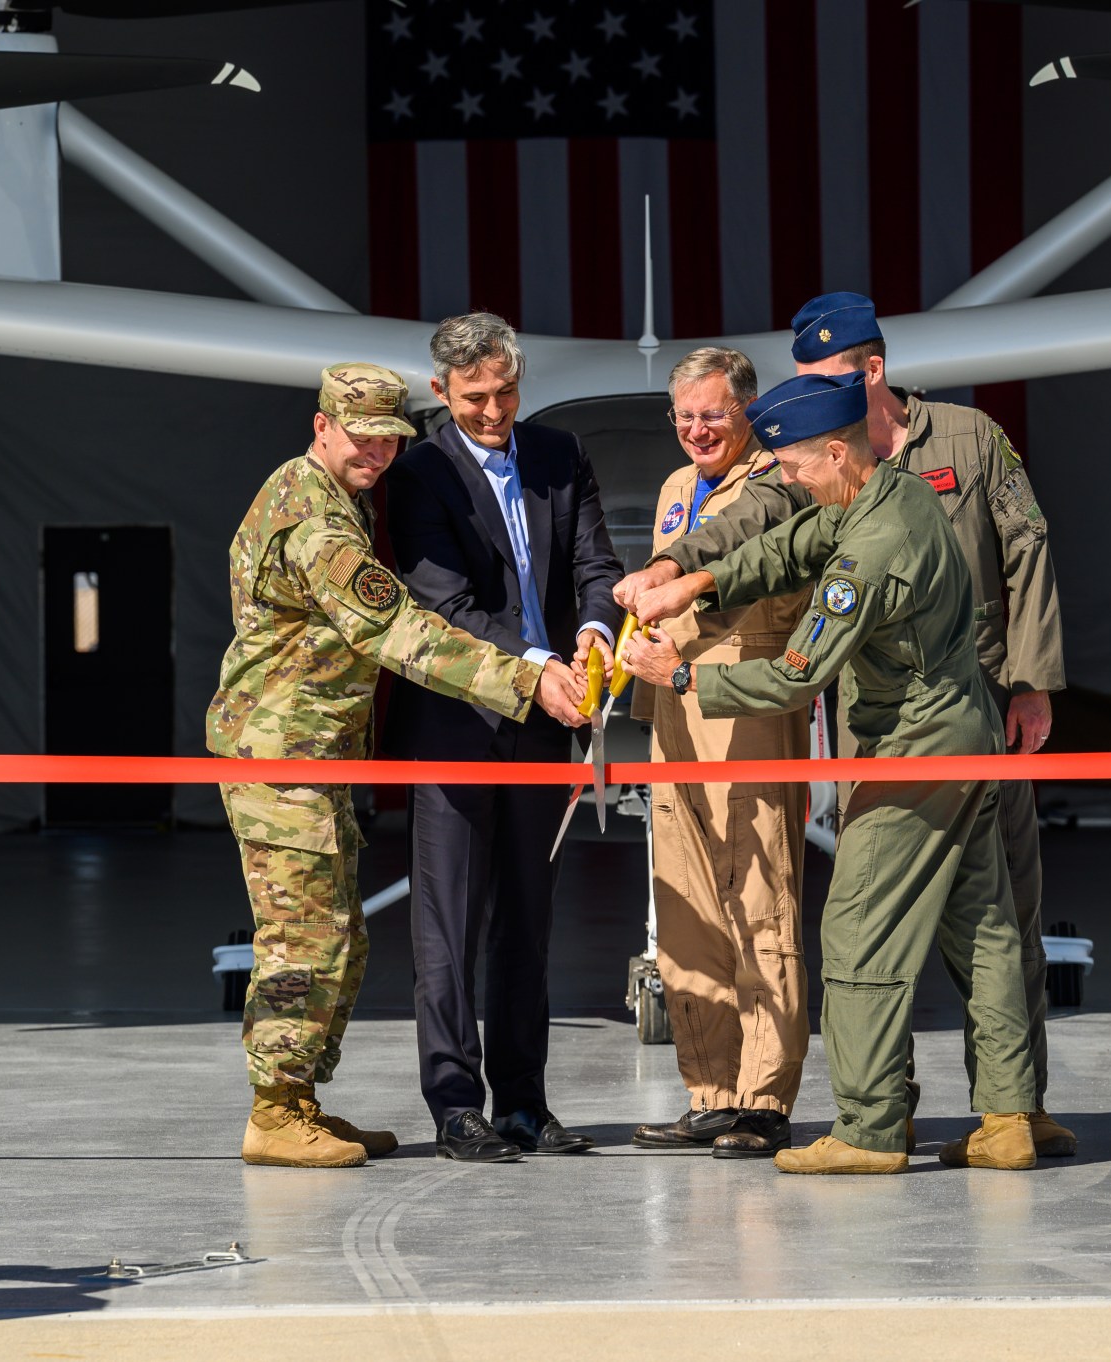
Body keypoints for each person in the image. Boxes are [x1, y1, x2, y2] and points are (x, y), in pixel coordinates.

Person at [616, 292, 1076, 1160]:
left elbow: (798, 675)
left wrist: (678, 674)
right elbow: (779, 544)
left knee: (856, 928)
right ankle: (1012, 1119)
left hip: (915, 750)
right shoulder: (881, 494)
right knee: (981, 926)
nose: (782, 474)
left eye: (792, 460)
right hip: (956, 735)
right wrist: (692, 581)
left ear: (838, 444)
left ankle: (868, 1129)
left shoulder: (873, 547)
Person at [209, 362, 582, 1170]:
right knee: (302, 938)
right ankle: (275, 1112)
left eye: (389, 440)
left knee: (338, 935)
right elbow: (397, 634)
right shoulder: (317, 521)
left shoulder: (327, 496)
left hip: (314, 754)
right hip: (285, 758)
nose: (377, 454)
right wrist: (525, 681)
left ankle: (299, 1099)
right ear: (321, 427)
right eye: (361, 437)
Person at [383, 312, 624, 1163]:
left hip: (548, 722)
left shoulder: (561, 453)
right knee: (447, 924)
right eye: (475, 396)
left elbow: (596, 563)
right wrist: (535, 665)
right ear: (442, 392)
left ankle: (523, 1102)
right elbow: (445, 603)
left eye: (506, 391)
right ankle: (455, 1104)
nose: (494, 410)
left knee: (528, 918)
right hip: (459, 725)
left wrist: (595, 632)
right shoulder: (418, 475)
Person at [626, 348, 812, 1160]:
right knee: (688, 905)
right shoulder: (675, 488)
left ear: (748, 411)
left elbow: (759, 571)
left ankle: (765, 1098)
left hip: (744, 703)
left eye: (714, 414)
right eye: (685, 416)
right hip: (671, 712)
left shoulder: (782, 478)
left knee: (759, 897)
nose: (698, 430)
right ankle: (711, 1091)